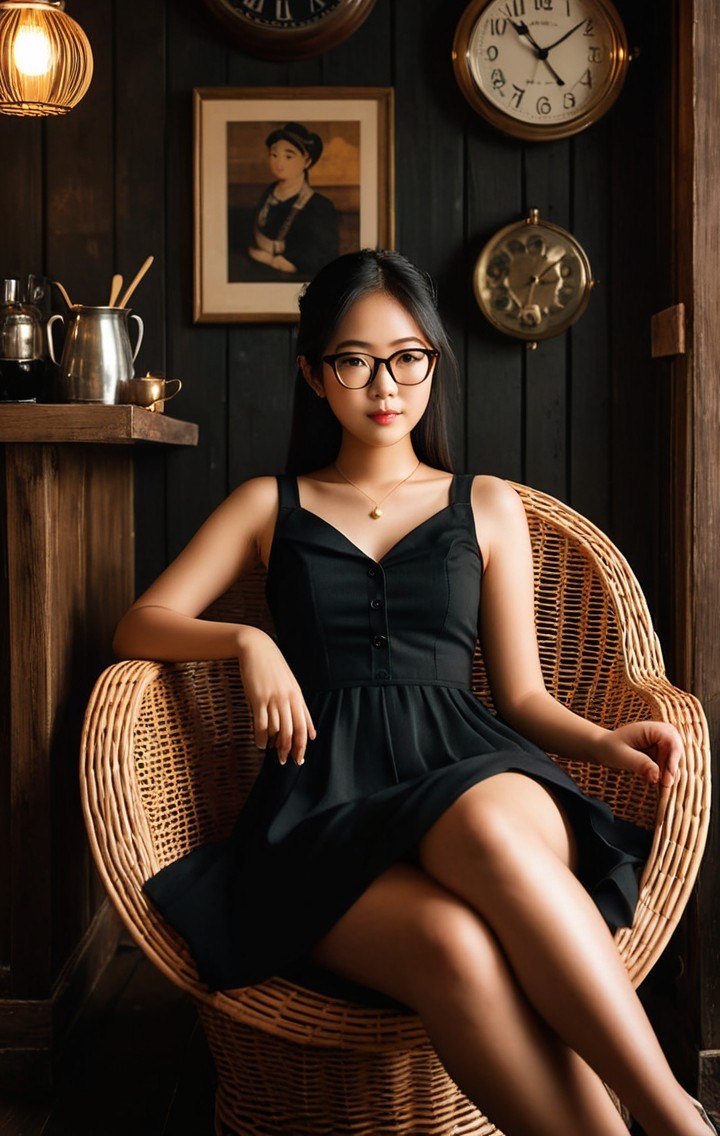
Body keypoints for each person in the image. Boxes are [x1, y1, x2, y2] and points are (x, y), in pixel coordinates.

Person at [113, 249, 715, 1136]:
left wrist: (598, 741)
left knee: (476, 821)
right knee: (452, 947)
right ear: (315, 375)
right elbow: (141, 623)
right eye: (355, 360)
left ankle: (674, 1117)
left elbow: (521, 697)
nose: (385, 383)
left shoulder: (488, 504)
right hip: (324, 811)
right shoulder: (268, 504)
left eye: (409, 357)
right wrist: (248, 640)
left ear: (434, 361)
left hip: (476, 774)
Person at [241, 121, 339, 279]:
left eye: (288, 156)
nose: (279, 163)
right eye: (274, 155)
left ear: (306, 161)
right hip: (258, 272)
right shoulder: (268, 193)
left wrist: (276, 261)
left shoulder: (320, 206)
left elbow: (323, 258)